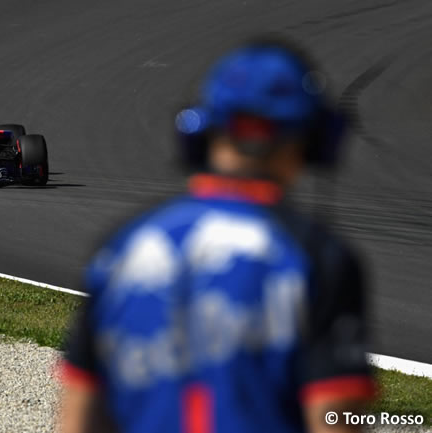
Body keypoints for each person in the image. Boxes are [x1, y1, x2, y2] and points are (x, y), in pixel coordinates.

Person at [57, 37, 376, 433]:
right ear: (318, 138)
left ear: (198, 130)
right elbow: (335, 416)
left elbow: (79, 415)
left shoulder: (121, 247)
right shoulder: (318, 256)